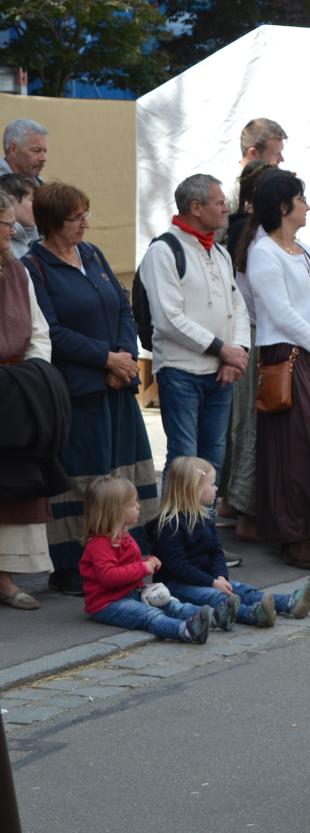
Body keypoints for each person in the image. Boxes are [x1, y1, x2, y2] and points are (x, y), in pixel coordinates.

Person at [24, 182, 158, 597]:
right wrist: (105, 358)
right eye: (75, 218)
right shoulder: (35, 266)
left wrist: (124, 356)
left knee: (121, 473)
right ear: (51, 223)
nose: (85, 223)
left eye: (85, 214)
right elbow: (51, 330)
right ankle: (74, 566)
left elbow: (122, 309)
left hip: (116, 386)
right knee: (85, 479)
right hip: (78, 392)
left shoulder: (93, 254)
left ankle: (126, 556)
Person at [244, 170, 310, 568]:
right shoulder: (263, 252)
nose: (306, 205)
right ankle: (292, 534)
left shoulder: (302, 250)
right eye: (300, 198)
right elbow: (280, 312)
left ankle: (309, 528)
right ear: (282, 205)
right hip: (288, 356)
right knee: (294, 449)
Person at [141, 174, 250, 481]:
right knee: (185, 459)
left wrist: (236, 353)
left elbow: (237, 307)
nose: (226, 208)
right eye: (219, 202)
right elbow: (168, 319)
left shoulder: (220, 252)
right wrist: (222, 349)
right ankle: (179, 515)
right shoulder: (164, 251)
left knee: (213, 459)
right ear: (196, 208)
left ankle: (204, 514)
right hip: (180, 372)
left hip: (219, 372)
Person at [151, 456, 310, 627]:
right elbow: (178, 567)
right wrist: (212, 583)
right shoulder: (170, 525)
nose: (216, 488)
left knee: (242, 589)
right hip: (177, 585)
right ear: (193, 490)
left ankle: (289, 602)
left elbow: (216, 552)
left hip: (207, 578)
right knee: (219, 598)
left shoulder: (205, 517)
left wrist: (221, 576)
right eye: (212, 484)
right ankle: (253, 615)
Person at [0, 191, 69, 610]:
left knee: (15, 485)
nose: (12, 233)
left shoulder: (17, 271)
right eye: (7, 225)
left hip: (15, 393)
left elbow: (38, 331)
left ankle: (5, 578)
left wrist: (32, 374)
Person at [79, 475, 212, 644]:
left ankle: (211, 617)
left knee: (170, 604)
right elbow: (109, 576)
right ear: (115, 511)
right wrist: (143, 567)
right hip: (107, 603)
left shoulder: (123, 535)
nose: (138, 506)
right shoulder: (99, 544)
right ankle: (186, 630)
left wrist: (147, 562)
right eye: (132, 503)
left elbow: (128, 564)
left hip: (132, 593)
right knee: (150, 615)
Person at [222, 162, 276, 546]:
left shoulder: (248, 232)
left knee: (242, 424)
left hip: (250, 337)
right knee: (252, 427)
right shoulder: (259, 241)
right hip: (258, 339)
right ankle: (246, 509)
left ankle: (233, 502)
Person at [227, 118, 286, 212]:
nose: (282, 159)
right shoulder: (230, 190)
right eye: (276, 154)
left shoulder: (272, 183)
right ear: (253, 153)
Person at [0, 173, 39, 258]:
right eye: (32, 200)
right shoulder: (4, 246)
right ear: (11, 200)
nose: (38, 205)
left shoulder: (36, 237)